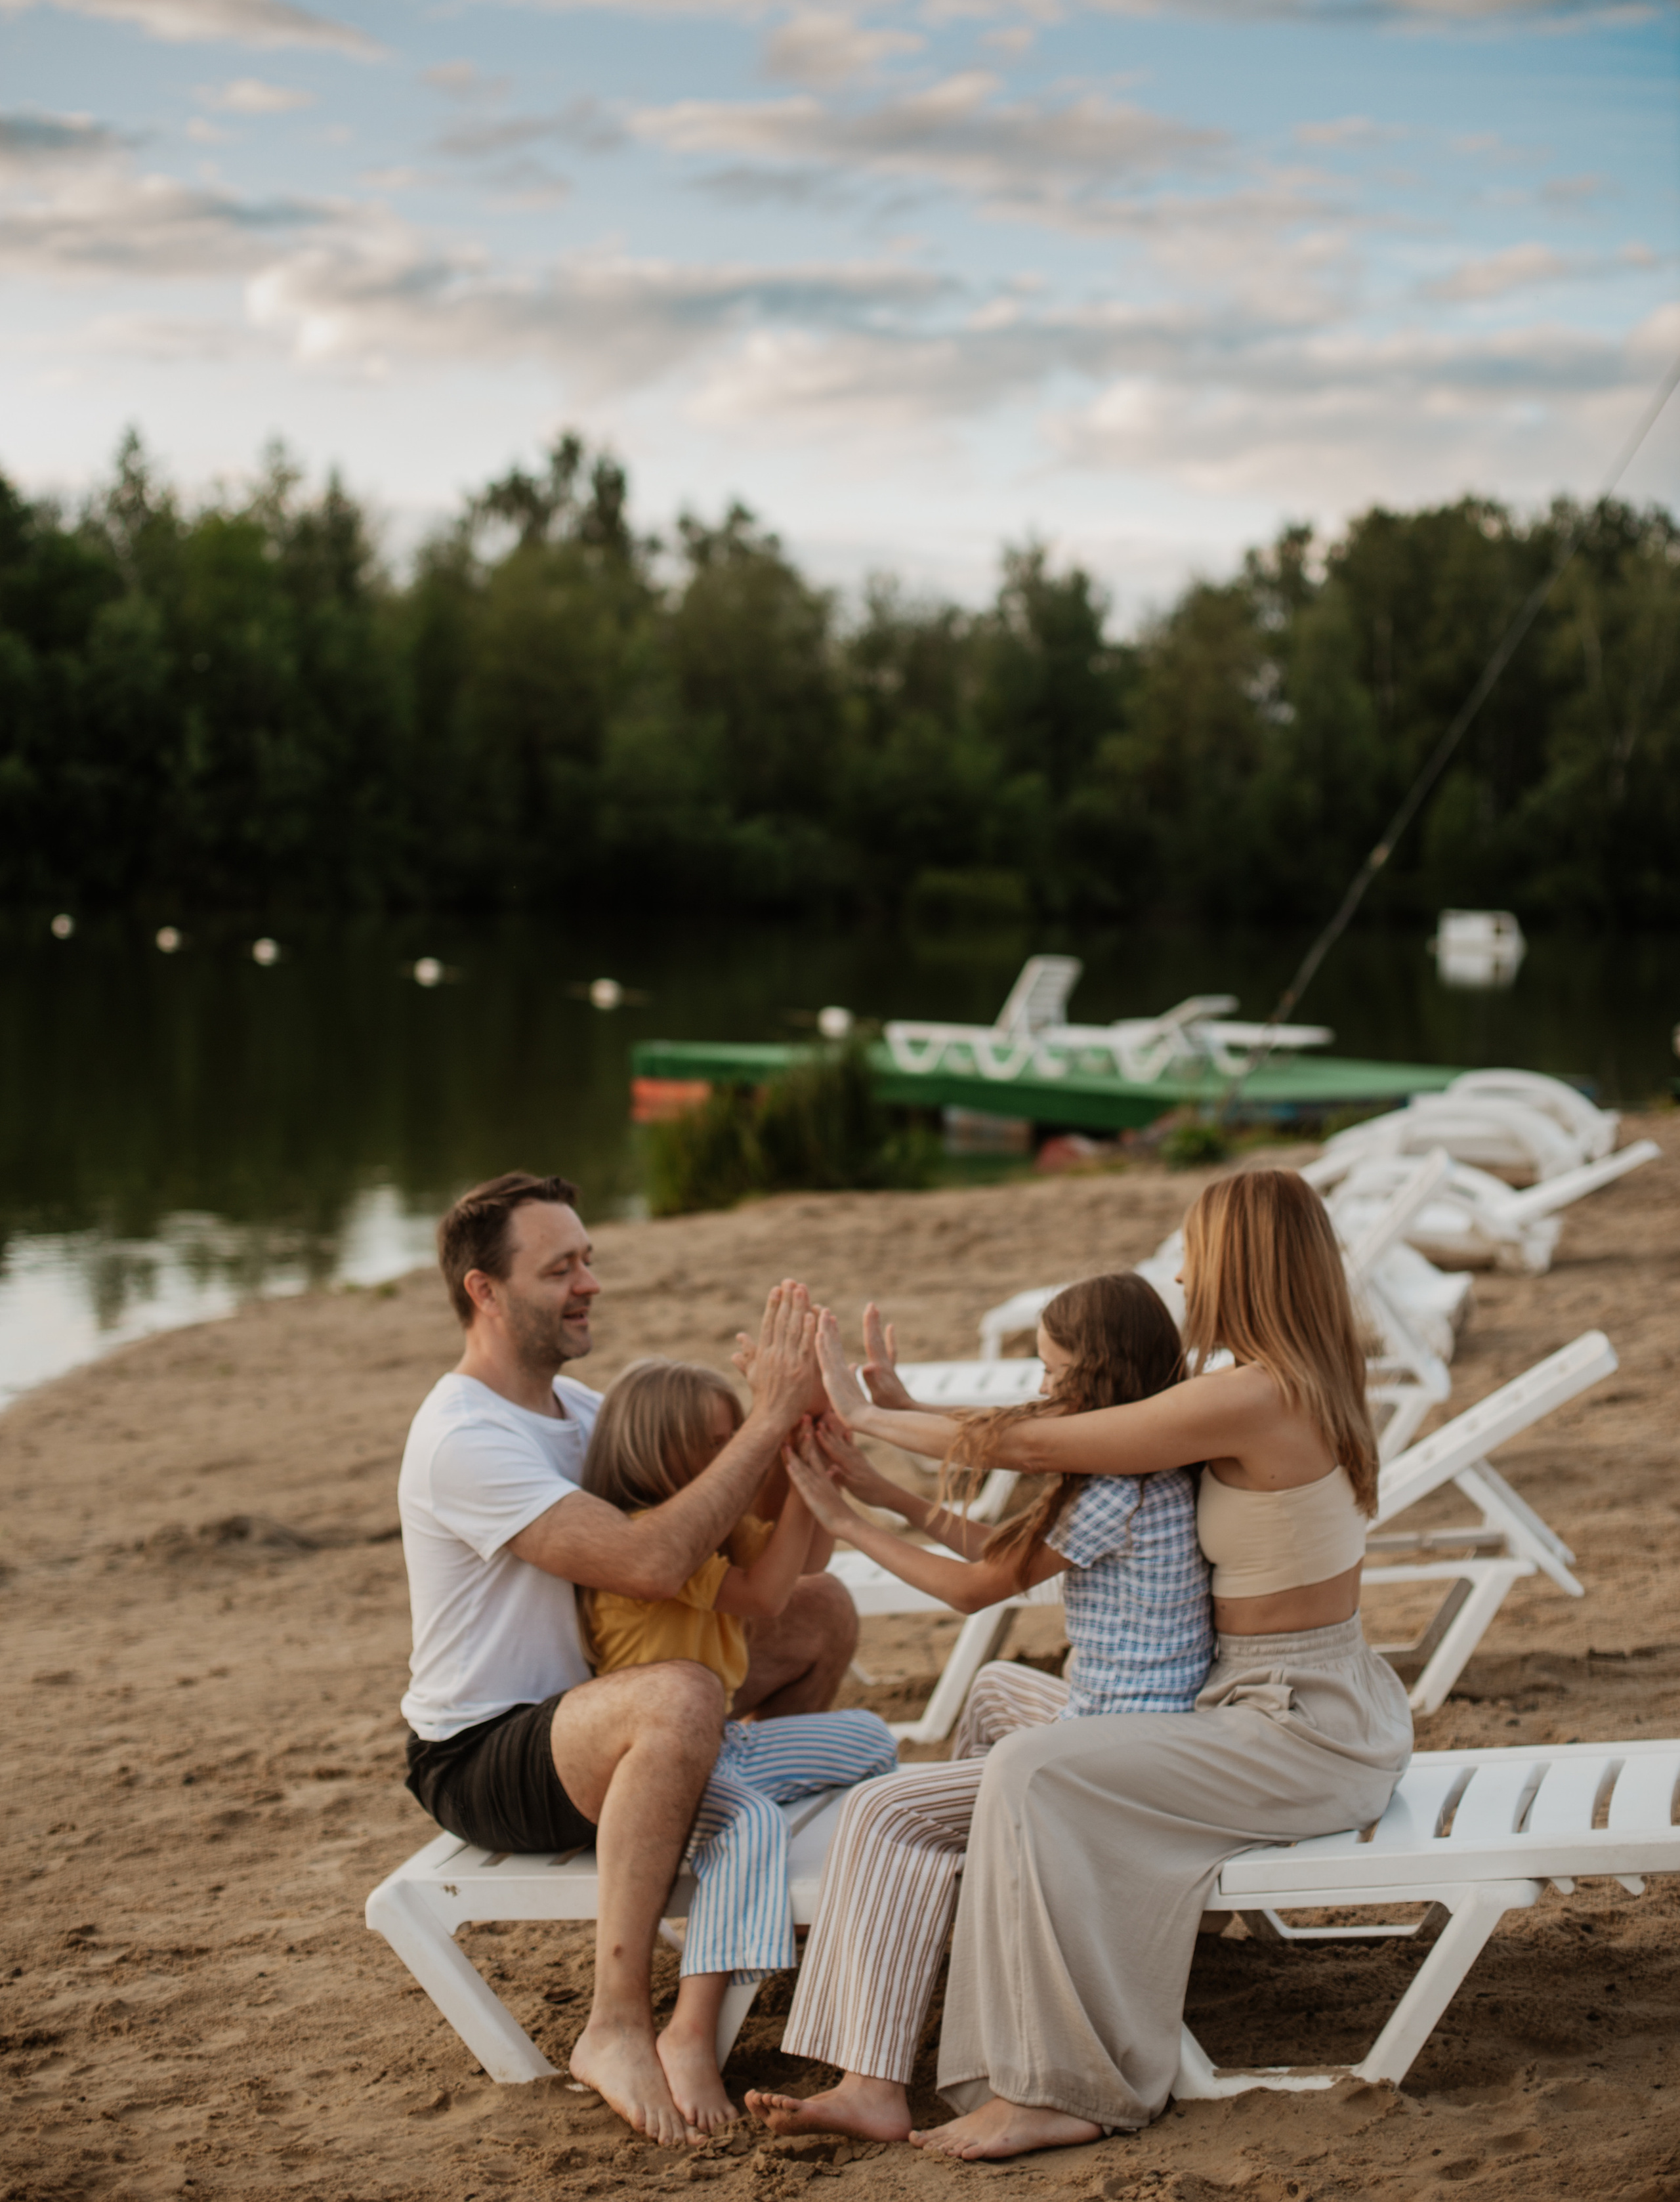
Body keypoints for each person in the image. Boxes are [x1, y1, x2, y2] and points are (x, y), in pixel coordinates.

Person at [802, 1169, 1412, 2159]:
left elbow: (1044, 1440)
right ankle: (975, 1963)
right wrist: (902, 1417)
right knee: (1004, 1701)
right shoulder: (1303, 1376)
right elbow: (1053, 1446)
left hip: (1292, 1726)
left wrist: (859, 1415)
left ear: (1238, 1263)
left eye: (1192, 1252)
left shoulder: (1256, 1395)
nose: (1177, 1269)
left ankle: (1060, 2084)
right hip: (1298, 1699)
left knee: (1030, 1769)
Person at [396, 1170, 851, 2149]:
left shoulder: (582, 1410)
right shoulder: (464, 1436)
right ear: (485, 1289)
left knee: (818, 1611)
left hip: (597, 1709)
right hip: (485, 1752)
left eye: (589, 1258)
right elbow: (651, 1559)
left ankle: (741, 1870)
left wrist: (804, 1421)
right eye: (560, 1266)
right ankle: (615, 2020)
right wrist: (768, 1422)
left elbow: (762, 1553)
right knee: (681, 1693)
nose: (589, 1280)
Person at [744, 1271, 1211, 2144]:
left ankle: (871, 2084)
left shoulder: (1117, 1481)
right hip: (1139, 1720)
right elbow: (1010, 1554)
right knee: (996, 1691)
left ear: (1097, 1376)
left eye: (1050, 1371)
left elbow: (974, 1588)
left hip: (1123, 1753)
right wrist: (888, 1493)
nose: (1039, 1389)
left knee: (885, 1810)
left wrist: (846, 1523)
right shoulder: (1140, 1457)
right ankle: (963, 1920)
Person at [578, 1358, 898, 2135]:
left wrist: (807, 1453)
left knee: (870, 1737)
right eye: (729, 1443)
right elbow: (763, 1594)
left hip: (721, 1742)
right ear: (667, 1451)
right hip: (660, 1767)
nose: (742, 1454)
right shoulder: (647, 1542)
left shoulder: (713, 1531)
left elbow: (807, 1560)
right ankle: (690, 2031)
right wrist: (783, 1452)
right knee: (751, 1821)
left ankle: (748, 1896)